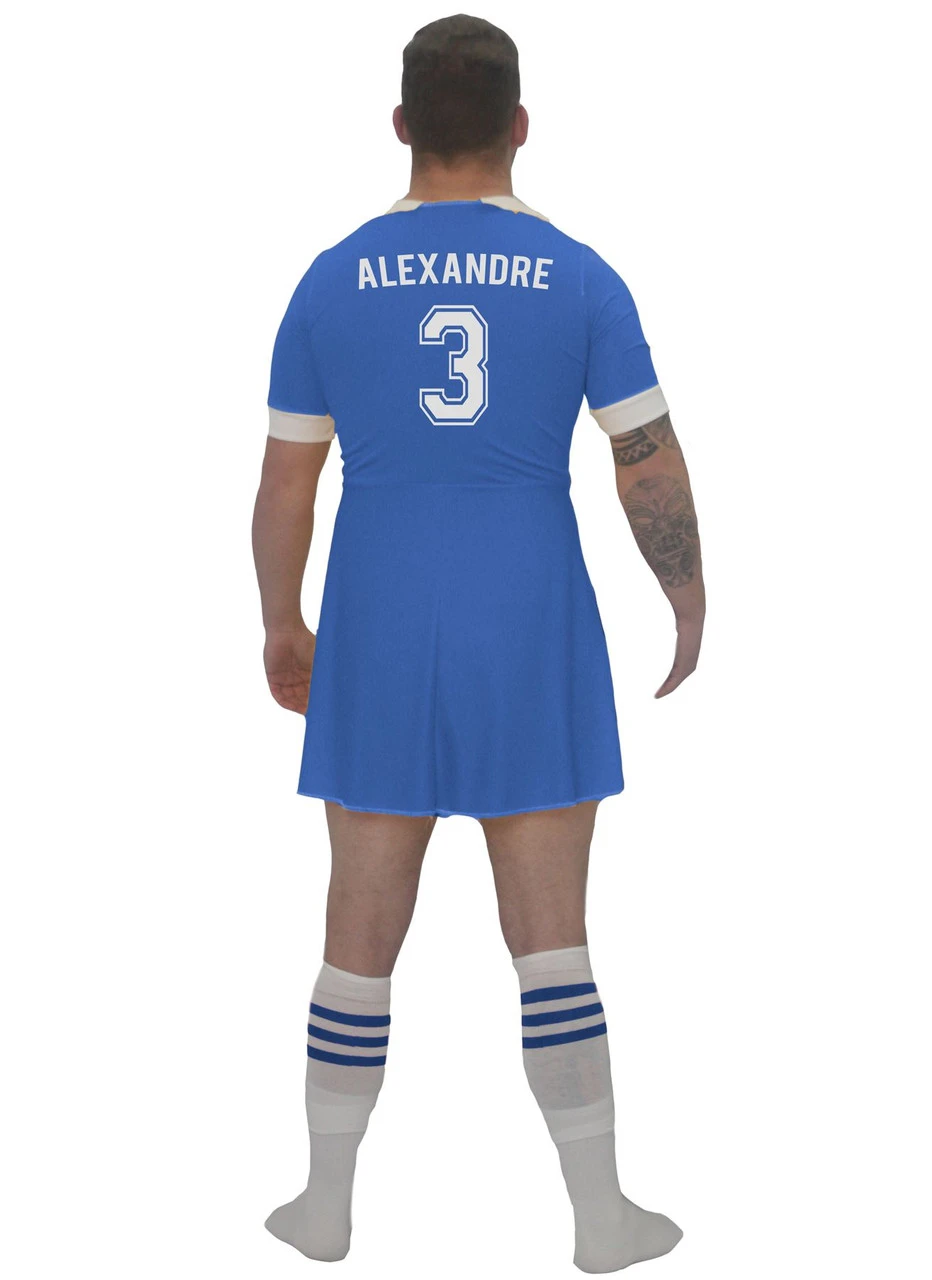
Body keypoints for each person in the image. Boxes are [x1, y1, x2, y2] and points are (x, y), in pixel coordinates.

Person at [251, 13, 704, 1273]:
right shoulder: (579, 275)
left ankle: (324, 1204)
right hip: (528, 610)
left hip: (379, 612)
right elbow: (643, 458)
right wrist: (686, 595)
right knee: (550, 932)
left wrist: (281, 621)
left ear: (400, 125)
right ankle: (600, 1216)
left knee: (356, 923)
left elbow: (286, 486)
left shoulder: (329, 278)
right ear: (519, 125)